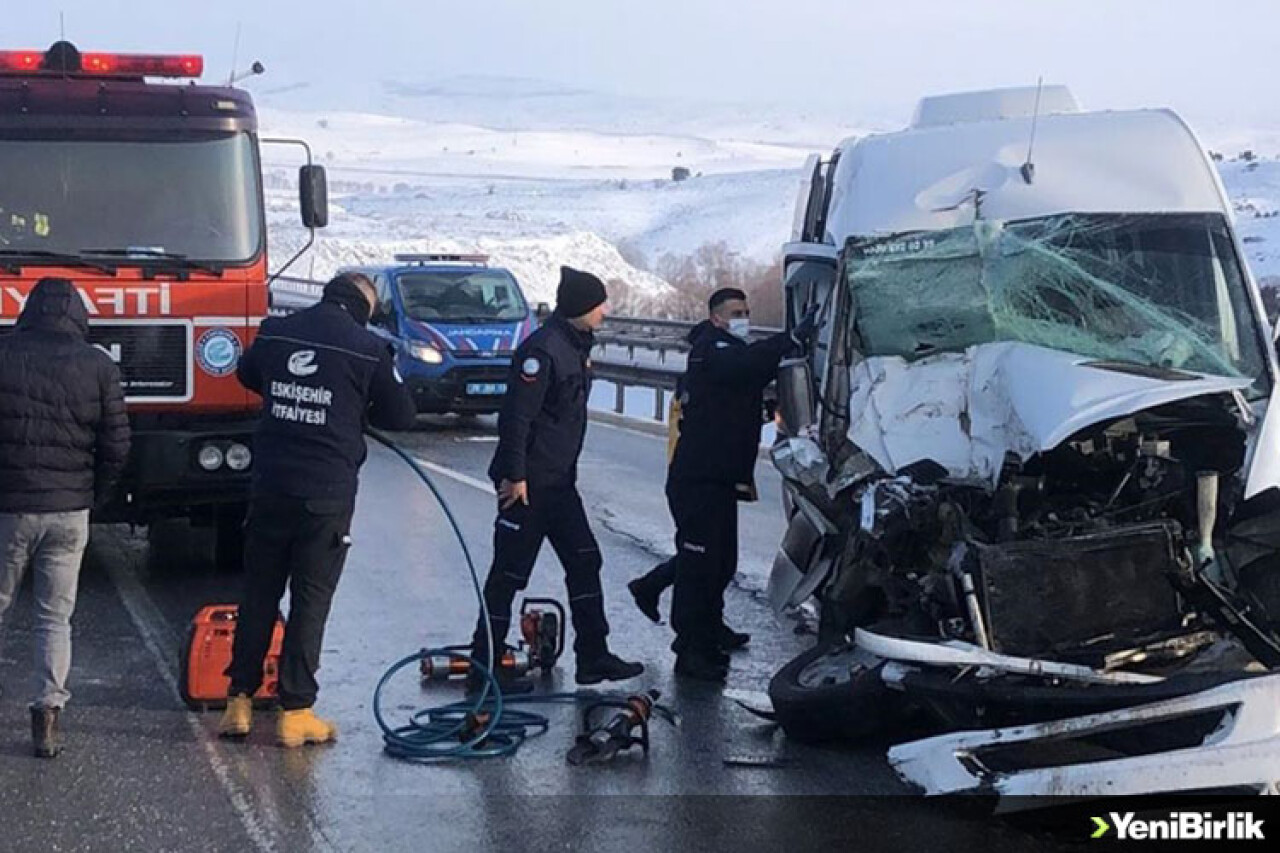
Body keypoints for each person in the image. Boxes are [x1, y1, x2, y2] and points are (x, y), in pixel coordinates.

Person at [220, 272, 415, 747]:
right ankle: (296, 709)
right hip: (325, 494)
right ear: (365, 307)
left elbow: (247, 374)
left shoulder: (277, 330)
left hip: (269, 484)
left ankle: (238, 703)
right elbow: (402, 415)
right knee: (311, 599)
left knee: (259, 593)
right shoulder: (367, 349)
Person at [470, 266, 643, 692]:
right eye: (599, 303)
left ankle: (593, 656)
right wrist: (514, 475)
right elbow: (517, 417)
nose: (605, 310)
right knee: (508, 577)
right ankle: (484, 667)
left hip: (559, 484)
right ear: (582, 307)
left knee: (585, 560)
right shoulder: (543, 350)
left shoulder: (576, 346)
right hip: (527, 487)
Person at [633, 288, 819, 681]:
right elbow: (743, 367)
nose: (743, 316)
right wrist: (790, 339)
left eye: (747, 310)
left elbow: (736, 392)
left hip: (719, 478)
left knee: (720, 562)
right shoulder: (710, 348)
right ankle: (689, 650)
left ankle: (704, 625)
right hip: (696, 479)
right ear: (717, 317)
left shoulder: (728, 349)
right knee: (700, 567)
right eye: (736, 311)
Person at [0, 277, 130, 757]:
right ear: (78, 313)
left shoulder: (4, 354)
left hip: (9, 507)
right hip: (68, 510)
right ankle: (47, 715)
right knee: (54, 618)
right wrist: (94, 495)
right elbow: (117, 443)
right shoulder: (97, 365)